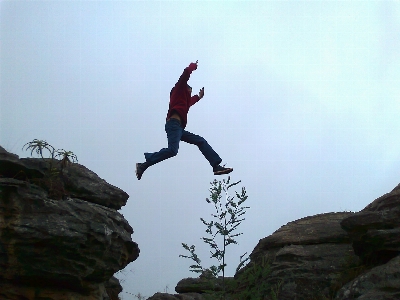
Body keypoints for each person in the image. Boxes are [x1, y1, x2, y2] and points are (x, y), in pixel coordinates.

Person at [136, 60, 233, 180]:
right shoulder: (178, 89)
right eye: (190, 91)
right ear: (185, 89)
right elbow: (185, 74)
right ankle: (145, 163)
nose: (190, 93)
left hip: (179, 128)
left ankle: (216, 166)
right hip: (173, 125)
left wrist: (198, 97)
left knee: (200, 141)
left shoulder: (184, 101)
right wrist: (192, 67)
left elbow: (189, 103)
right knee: (172, 150)